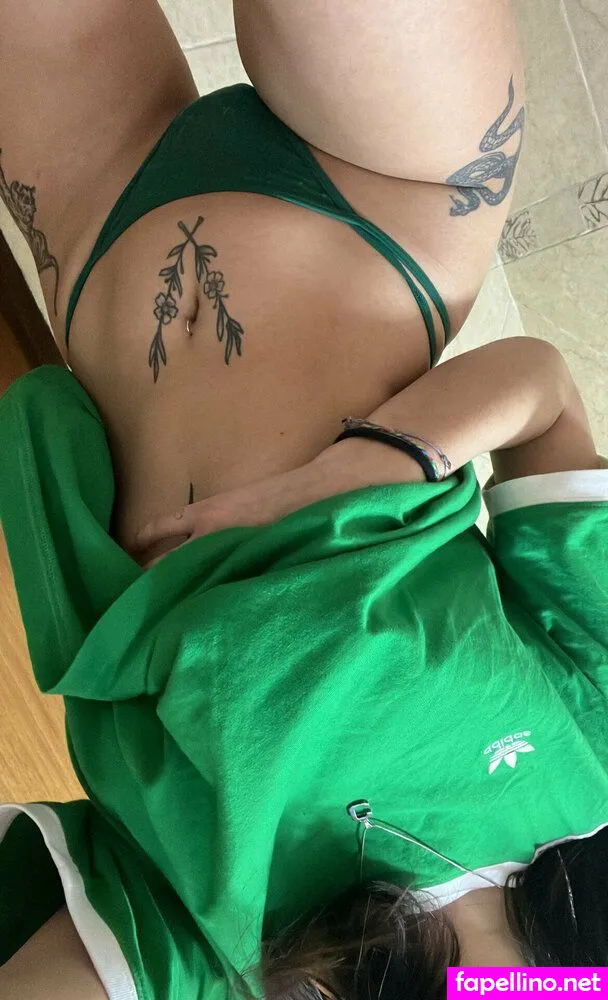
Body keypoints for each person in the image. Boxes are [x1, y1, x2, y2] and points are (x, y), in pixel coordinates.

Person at [0, 1, 607, 998]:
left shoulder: (246, 963)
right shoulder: (593, 780)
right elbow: (536, 385)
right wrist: (362, 466)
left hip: (96, 235)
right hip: (386, 197)